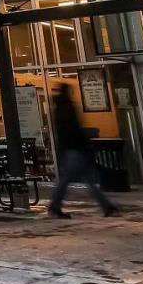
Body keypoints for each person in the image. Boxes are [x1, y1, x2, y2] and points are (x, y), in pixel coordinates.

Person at [46, 84, 119, 219]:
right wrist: (83, 145)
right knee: (76, 179)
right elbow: (74, 129)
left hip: (70, 148)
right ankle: (106, 205)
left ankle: (106, 205)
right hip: (74, 149)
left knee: (78, 179)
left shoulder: (58, 108)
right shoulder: (67, 107)